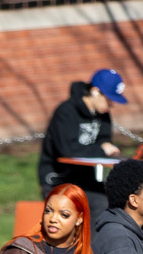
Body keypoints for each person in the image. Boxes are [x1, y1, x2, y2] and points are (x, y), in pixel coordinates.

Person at [36, 68, 127, 218]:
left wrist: (106, 147)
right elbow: (68, 150)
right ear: (95, 92)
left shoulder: (103, 114)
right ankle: (86, 242)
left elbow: (104, 140)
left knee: (113, 202)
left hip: (84, 179)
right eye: (109, 99)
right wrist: (102, 150)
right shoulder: (66, 112)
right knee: (92, 205)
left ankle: (98, 241)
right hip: (58, 178)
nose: (111, 105)